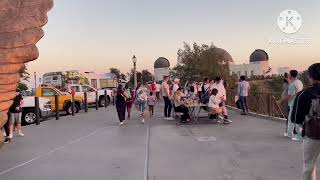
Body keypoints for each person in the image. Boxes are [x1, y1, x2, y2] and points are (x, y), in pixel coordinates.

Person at [290, 63, 320, 180]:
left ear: (311, 77)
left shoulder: (304, 94)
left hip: (313, 135)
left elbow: (295, 119)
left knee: (309, 166)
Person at [285, 70, 304, 141]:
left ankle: (294, 135)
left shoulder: (292, 85)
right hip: (299, 102)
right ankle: (293, 134)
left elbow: (290, 95)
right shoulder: (300, 82)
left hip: (293, 103)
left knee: (292, 119)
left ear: (290, 75)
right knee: (297, 119)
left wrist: (286, 101)